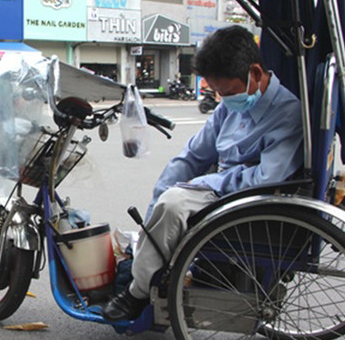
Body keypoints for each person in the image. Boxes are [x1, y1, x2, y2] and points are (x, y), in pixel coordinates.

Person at [102, 25, 304, 321]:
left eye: (229, 92)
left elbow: (266, 178)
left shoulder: (287, 114)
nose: (225, 99)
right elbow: (194, 156)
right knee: (167, 194)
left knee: (173, 205)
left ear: (255, 73)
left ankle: (137, 291)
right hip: (218, 184)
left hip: (246, 197)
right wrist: (155, 205)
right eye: (219, 93)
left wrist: (201, 185)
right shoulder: (229, 106)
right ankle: (153, 257)